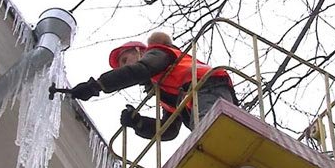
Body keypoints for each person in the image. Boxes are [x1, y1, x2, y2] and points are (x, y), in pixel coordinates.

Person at [69, 32, 237, 140]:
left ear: (139, 51)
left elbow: (140, 70)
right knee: (208, 133)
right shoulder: (164, 87)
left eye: (125, 61)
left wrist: (96, 86)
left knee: (212, 134)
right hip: (201, 94)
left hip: (207, 86)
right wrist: (139, 123)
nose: (124, 68)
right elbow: (169, 130)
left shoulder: (159, 53)